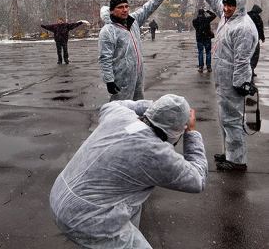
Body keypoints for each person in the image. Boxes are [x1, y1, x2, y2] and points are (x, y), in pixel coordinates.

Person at [50, 95, 207, 249]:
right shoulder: (157, 154)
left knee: (133, 207)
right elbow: (197, 179)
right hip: (87, 219)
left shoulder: (120, 116)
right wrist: (191, 133)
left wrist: (156, 107)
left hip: (60, 193)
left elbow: (112, 104)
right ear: (177, 130)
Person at [182, 0, 258, 170]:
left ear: (239, 5)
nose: (225, 8)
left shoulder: (243, 28)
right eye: (225, 4)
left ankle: (237, 161)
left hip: (234, 82)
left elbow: (242, 60)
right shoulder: (227, 17)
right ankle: (230, 153)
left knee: (232, 120)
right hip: (224, 80)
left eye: (230, 5)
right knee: (225, 118)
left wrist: (241, 83)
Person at [98, 0, 180, 101]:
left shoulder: (133, 21)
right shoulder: (108, 31)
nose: (125, 10)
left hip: (138, 75)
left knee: (138, 106)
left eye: (126, 6)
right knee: (121, 110)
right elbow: (104, 58)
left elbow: (148, 7)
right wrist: (109, 81)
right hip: (121, 78)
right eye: (120, 7)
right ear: (112, 10)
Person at [192, 9, 216, 73]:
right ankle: (208, 67)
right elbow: (214, 15)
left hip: (199, 38)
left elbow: (196, 28)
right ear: (203, 13)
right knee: (208, 52)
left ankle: (201, 67)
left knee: (200, 52)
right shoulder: (207, 19)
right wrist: (208, 11)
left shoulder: (195, 21)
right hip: (207, 38)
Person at [247, 4, 265, 77]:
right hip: (255, 38)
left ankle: (248, 70)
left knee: (247, 55)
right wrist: (262, 37)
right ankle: (251, 70)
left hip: (246, 38)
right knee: (255, 55)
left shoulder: (246, 15)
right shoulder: (257, 17)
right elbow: (260, 28)